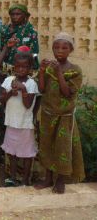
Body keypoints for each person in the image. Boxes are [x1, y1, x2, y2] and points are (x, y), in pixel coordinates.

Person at [35, 32, 85, 194]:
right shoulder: (49, 67)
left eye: (64, 47)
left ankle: (61, 180)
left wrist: (58, 74)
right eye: (56, 47)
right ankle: (48, 178)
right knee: (46, 145)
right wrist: (42, 71)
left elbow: (67, 93)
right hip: (48, 114)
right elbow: (41, 89)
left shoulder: (75, 70)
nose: (60, 50)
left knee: (63, 147)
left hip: (65, 117)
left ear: (70, 50)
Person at [0, 52, 39, 186]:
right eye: (18, 66)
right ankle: (12, 177)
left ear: (30, 69)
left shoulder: (32, 84)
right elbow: (2, 101)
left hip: (25, 124)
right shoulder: (8, 80)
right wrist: (11, 92)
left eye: (25, 67)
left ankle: (25, 180)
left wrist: (23, 91)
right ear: (14, 67)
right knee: (12, 152)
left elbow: (28, 105)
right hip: (11, 122)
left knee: (27, 154)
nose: (21, 69)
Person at [1, 4, 39, 70]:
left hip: (23, 68)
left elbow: (34, 52)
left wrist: (35, 67)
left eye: (18, 14)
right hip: (5, 67)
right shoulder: (4, 30)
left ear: (24, 15)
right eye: (12, 14)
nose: (15, 16)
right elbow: (0, 48)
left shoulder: (30, 31)